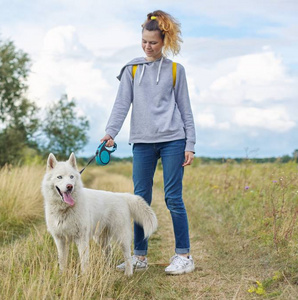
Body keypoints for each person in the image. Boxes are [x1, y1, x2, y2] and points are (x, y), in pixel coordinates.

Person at [100, 10, 196, 275]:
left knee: (173, 198)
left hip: (173, 140)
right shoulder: (131, 70)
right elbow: (121, 105)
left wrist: (190, 144)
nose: (147, 46)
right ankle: (140, 257)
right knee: (140, 200)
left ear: (163, 41)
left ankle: (184, 256)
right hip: (142, 142)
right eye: (144, 41)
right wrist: (110, 132)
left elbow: (185, 109)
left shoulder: (176, 71)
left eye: (153, 42)